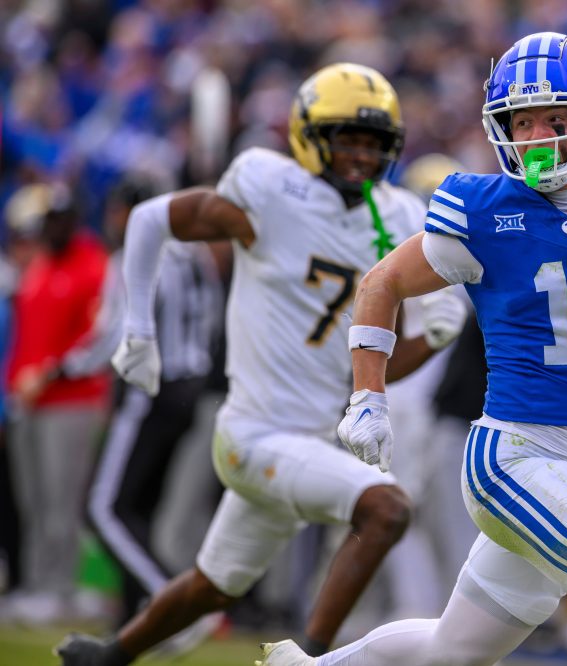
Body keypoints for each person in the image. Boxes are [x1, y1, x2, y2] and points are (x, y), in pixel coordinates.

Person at [258, 31, 567, 666]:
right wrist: (367, 397)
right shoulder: (483, 209)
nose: (536, 137)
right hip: (514, 457)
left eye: (555, 120)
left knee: (449, 653)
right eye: (523, 121)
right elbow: (382, 282)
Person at [55, 62, 466, 665]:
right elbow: (152, 219)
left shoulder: (399, 214)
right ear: (310, 136)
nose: (361, 155)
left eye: (374, 143)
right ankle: (311, 656)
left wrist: (435, 337)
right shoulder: (272, 188)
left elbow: (374, 366)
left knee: (213, 586)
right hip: (255, 432)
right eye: (348, 139)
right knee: (387, 508)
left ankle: (111, 655)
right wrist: (138, 328)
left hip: (309, 442)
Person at [75, 176, 224, 634]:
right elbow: (213, 320)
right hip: (187, 391)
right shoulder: (195, 255)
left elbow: (115, 335)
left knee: (102, 509)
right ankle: (133, 612)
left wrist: (60, 369)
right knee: (139, 509)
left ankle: (176, 605)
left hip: (147, 389)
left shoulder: (136, 254)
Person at [4, 182, 111, 625]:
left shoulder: (93, 266)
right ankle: (36, 584)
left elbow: (96, 339)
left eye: (62, 220)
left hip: (71, 402)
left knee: (60, 500)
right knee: (32, 500)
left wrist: (48, 373)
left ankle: (58, 588)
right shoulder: (40, 265)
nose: (54, 229)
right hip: (27, 402)